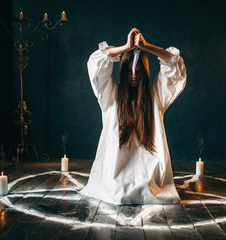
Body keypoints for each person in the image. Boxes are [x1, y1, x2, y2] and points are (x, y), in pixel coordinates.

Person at [80, 28, 187, 205]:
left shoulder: (155, 95)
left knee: (148, 189)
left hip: (148, 169)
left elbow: (174, 64)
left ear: (144, 72)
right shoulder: (111, 93)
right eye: (129, 71)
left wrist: (146, 47)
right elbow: (96, 62)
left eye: (138, 71)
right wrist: (126, 47)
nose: (134, 76)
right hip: (116, 169)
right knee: (118, 193)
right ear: (123, 71)